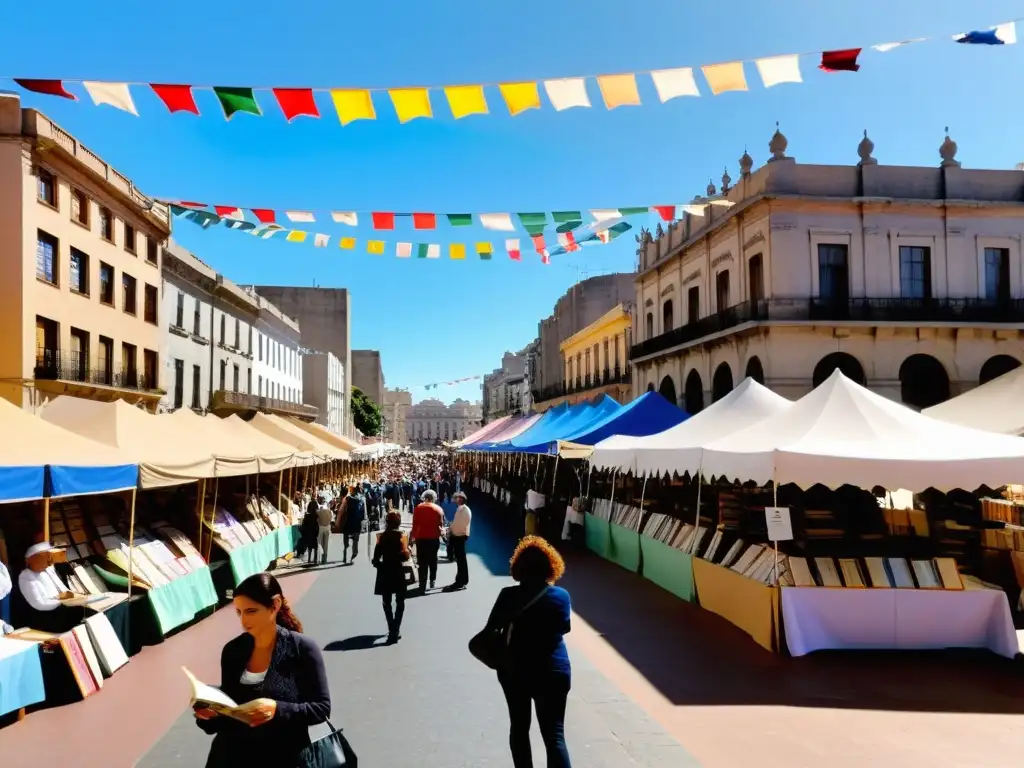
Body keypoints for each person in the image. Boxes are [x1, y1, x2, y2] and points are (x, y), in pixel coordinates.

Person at [194, 572, 330, 767]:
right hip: (231, 758)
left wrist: (277, 709)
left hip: (284, 757)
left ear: (275, 605)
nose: (243, 621)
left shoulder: (302, 649)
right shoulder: (233, 650)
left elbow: (321, 709)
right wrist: (210, 715)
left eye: (251, 611)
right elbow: (232, 712)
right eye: (239, 612)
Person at [483, 536, 572, 768]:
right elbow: (565, 627)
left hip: (515, 670)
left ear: (518, 567)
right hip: (554, 669)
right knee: (555, 736)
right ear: (551, 566)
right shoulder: (562, 596)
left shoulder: (507, 595)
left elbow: (491, 629)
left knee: (520, 728)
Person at [15, 541, 85, 633]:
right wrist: (60, 599)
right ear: (33, 560)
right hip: (48, 616)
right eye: (46, 559)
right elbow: (39, 603)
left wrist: (74, 595)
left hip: (64, 608)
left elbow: (63, 589)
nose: (50, 563)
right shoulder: (26, 576)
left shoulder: (49, 569)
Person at [372, 511, 411, 644]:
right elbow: (406, 556)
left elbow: (375, 559)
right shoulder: (402, 536)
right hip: (399, 571)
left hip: (385, 572)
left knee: (386, 603)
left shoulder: (381, 537)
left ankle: (391, 628)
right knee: (400, 602)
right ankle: (396, 628)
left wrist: (381, 566)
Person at [411, 489, 445, 591]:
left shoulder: (418, 508)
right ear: (433, 499)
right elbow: (440, 525)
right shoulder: (438, 509)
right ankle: (432, 580)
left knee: (422, 562)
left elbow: (415, 524)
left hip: (421, 538)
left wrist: (413, 537)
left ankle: (422, 583)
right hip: (433, 539)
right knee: (433, 560)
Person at [443, 491, 472, 592]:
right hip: (461, 536)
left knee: (461, 560)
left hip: (459, 536)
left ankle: (460, 581)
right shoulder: (462, 509)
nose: (455, 500)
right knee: (461, 559)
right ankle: (462, 579)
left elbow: (458, 524)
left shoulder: (462, 509)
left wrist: (450, 529)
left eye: (457, 498)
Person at [340, 486, 366, 564]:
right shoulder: (361, 500)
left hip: (348, 523)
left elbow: (342, 511)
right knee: (355, 542)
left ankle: (345, 556)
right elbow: (363, 513)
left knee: (346, 542)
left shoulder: (347, 499)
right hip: (357, 524)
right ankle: (353, 557)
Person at [315, 495, 333, 565]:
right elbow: (331, 518)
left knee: (319, 543)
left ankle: (318, 559)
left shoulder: (319, 509)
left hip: (321, 527)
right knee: (326, 544)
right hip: (327, 527)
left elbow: (317, 517)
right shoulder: (329, 510)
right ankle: (324, 559)